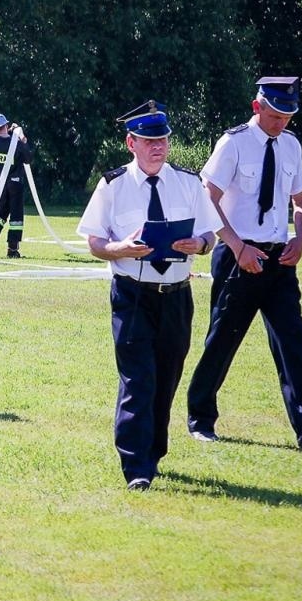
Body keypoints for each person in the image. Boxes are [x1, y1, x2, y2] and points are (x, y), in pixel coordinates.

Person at [185, 77, 302, 450]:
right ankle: (200, 417)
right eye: (276, 115)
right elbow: (206, 198)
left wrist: (300, 238)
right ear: (257, 106)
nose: (281, 123)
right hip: (236, 256)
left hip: (279, 259)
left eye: (288, 116)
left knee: (294, 341)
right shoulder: (233, 143)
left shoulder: (291, 146)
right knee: (223, 340)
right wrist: (238, 246)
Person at [77, 101, 221, 490]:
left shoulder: (189, 184)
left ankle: (153, 451)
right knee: (138, 378)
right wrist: (118, 248)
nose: (158, 147)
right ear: (131, 142)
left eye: (163, 140)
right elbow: (94, 241)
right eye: (149, 140)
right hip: (132, 294)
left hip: (176, 294)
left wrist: (200, 244)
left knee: (166, 378)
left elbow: (211, 233)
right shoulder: (114, 185)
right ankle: (136, 466)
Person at [0, 112, 32, 258]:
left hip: (1, 186)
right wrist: (21, 137)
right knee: (16, 218)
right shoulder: (16, 145)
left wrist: (11, 132)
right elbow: (28, 158)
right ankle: (12, 249)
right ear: (5, 125)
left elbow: (3, 141)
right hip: (16, 184)